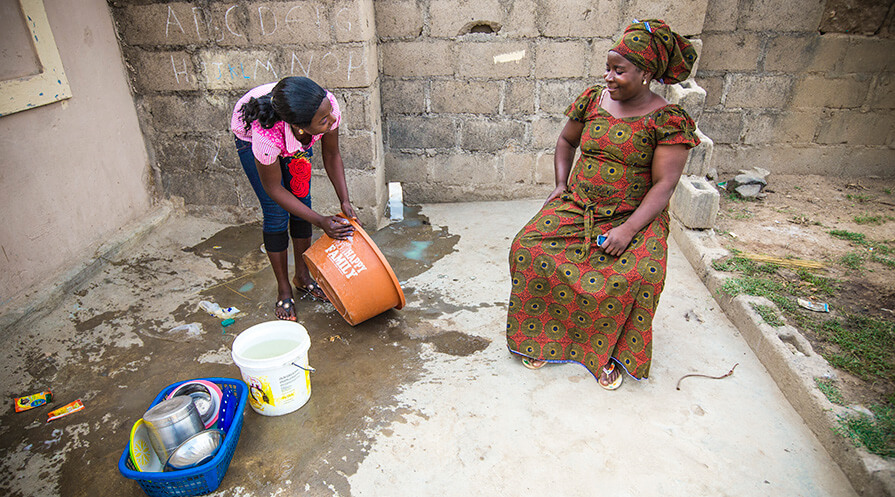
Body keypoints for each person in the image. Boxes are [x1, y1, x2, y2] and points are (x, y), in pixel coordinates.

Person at [505, 19, 700, 390]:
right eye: (608, 68)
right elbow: (566, 142)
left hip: (634, 214)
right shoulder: (593, 99)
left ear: (645, 74)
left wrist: (627, 230)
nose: (609, 77)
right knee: (527, 248)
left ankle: (607, 352)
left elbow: (664, 184)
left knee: (638, 275)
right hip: (579, 203)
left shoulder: (667, 120)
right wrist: (561, 185)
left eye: (619, 70)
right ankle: (545, 335)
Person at [231, 76, 357, 321]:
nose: (332, 121)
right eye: (324, 120)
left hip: (295, 134)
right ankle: (284, 288)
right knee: (275, 212)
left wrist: (344, 201)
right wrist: (321, 221)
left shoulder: (325, 108)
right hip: (252, 137)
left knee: (302, 198)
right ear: (300, 126)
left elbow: (332, 155)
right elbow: (274, 189)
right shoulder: (266, 138)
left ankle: (303, 277)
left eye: (330, 113)